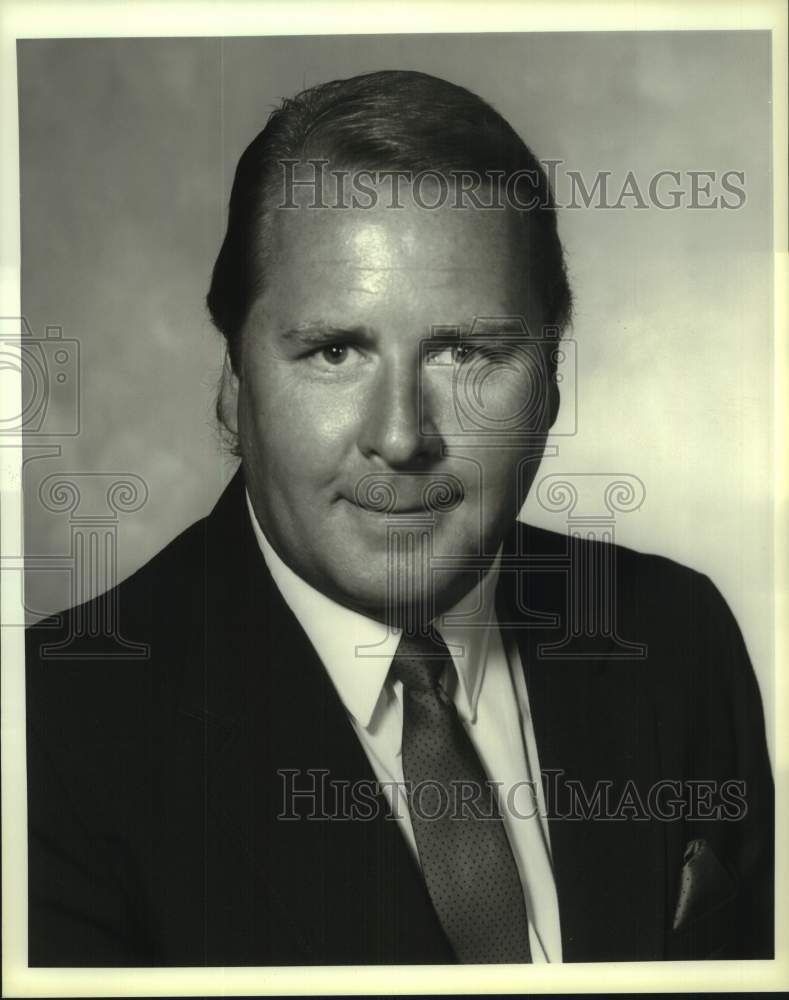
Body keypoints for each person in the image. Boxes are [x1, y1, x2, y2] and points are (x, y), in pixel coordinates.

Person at [25, 70, 773, 966]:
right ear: (233, 384)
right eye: (334, 350)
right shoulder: (51, 734)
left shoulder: (676, 636)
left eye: (467, 352)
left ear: (550, 388)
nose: (400, 437)